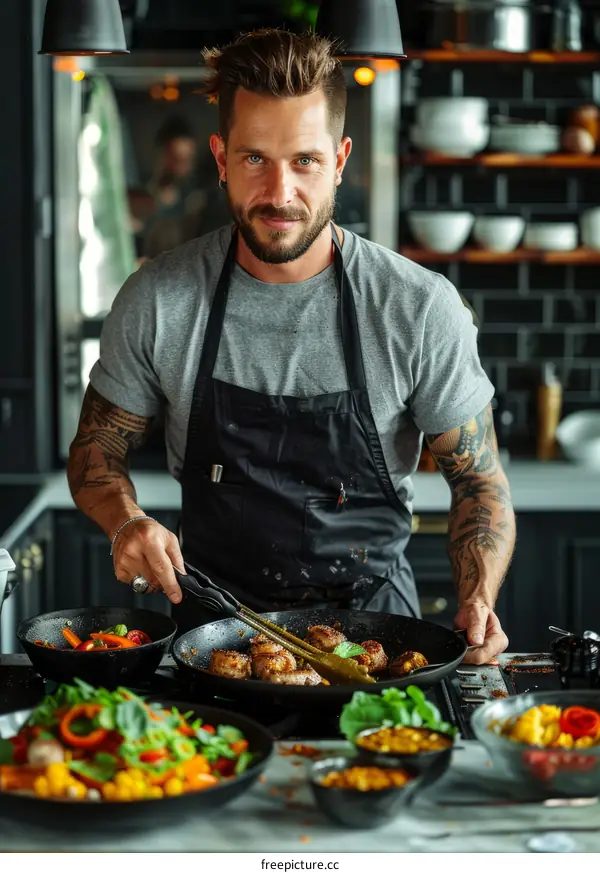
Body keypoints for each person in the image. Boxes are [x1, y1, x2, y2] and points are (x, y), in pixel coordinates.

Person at [67, 28, 516, 665]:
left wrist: (477, 599)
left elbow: (478, 482)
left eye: (304, 160)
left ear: (339, 159)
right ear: (221, 158)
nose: (279, 193)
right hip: (215, 641)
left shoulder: (417, 306)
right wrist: (125, 521)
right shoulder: (160, 298)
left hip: (380, 645)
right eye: (255, 159)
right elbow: (96, 450)